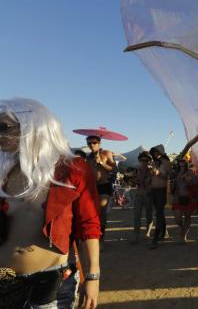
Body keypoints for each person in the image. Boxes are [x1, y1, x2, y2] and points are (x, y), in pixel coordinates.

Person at [0, 98, 101, 308]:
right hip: (4, 279)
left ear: (33, 125)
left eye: (4, 127)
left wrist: (92, 277)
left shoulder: (72, 168)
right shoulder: (6, 171)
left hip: (50, 281)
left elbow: (88, 227)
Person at [85, 135, 117, 244]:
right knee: (93, 213)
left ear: (99, 143)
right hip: (92, 187)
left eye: (94, 142)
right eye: (89, 143)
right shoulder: (88, 158)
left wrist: (101, 163)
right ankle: (95, 237)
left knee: (102, 212)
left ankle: (101, 239)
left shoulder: (106, 153)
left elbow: (114, 169)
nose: (91, 145)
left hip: (104, 185)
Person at [149, 144, 171, 249]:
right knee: (159, 213)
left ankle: (156, 236)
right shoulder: (153, 162)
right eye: (154, 152)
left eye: (157, 152)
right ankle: (164, 233)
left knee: (158, 213)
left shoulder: (166, 163)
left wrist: (158, 172)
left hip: (162, 190)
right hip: (153, 190)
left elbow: (168, 176)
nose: (155, 154)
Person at [172, 159, 198, 243]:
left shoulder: (190, 171)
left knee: (187, 217)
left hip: (188, 197)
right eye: (180, 161)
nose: (181, 163)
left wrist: (189, 181)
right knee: (178, 219)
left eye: (183, 161)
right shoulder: (176, 172)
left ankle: (183, 235)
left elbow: (195, 183)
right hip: (177, 198)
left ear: (186, 162)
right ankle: (183, 229)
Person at [131, 151, 153, 244]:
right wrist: (136, 180)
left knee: (149, 216)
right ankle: (136, 236)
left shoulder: (151, 170)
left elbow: (154, 182)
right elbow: (132, 182)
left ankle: (147, 233)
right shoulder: (136, 170)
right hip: (139, 194)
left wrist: (148, 179)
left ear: (149, 161)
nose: (144, 162)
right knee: (137, 216)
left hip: (149, 194)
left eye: (146, 160)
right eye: (142, 160)